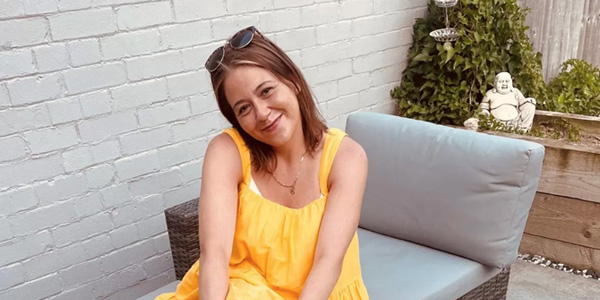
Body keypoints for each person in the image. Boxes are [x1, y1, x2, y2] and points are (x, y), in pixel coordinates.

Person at [155, 26, 369, 299]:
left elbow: (328, 262)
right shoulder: (228, 152)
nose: (262, 114)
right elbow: (215, 255)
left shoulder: (346, 158)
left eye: (266, 91)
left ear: (293, 80)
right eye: (244, 108)